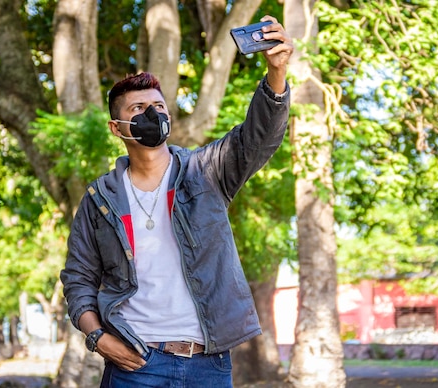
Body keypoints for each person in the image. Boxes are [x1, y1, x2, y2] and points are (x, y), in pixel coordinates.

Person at [60, 15, 293, 387]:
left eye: (158, 105)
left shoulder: (206, 170)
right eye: (137, 109)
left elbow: (258, 138)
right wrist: (99, 339)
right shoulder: (99, 198)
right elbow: (78, 279)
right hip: (135, 364)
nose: (152, 113)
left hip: (208, 364)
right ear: (116, 128)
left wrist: (276, 74)